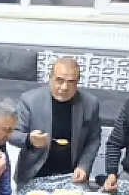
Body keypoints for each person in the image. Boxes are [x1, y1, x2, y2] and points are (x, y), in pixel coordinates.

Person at [10, 57, 102, 186]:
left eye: (71, 82)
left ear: (77, 82)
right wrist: (29, 140)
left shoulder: (90, 103)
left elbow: (94, 139)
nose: (64, 87)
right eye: (59, 80)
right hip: (34, 173)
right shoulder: (30, 100)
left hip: (71, 175)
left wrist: (84, 166)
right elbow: (12, 134)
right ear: (50, 78)